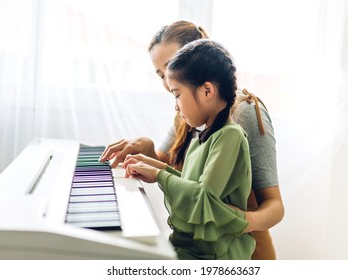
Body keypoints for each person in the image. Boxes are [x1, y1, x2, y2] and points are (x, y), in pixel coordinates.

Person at [100, 21, 284, 260]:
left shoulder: (243, 114)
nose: (168, 81)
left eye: (171, 66)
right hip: (202, 246)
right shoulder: (191, 113)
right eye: (161, 75)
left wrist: (233, 220)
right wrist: (148, 151)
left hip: (237, 251)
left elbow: (274, 206)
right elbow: (183, 174)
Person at [123, 38, 255, 259]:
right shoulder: (203, 135)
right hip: (195, 249)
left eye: (177, 94)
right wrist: (154, 168)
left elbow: (203, 198)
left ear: (206, 91)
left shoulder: (230, 136)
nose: (175, 105)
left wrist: (159, 174)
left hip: (216, 255)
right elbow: (191, 184)